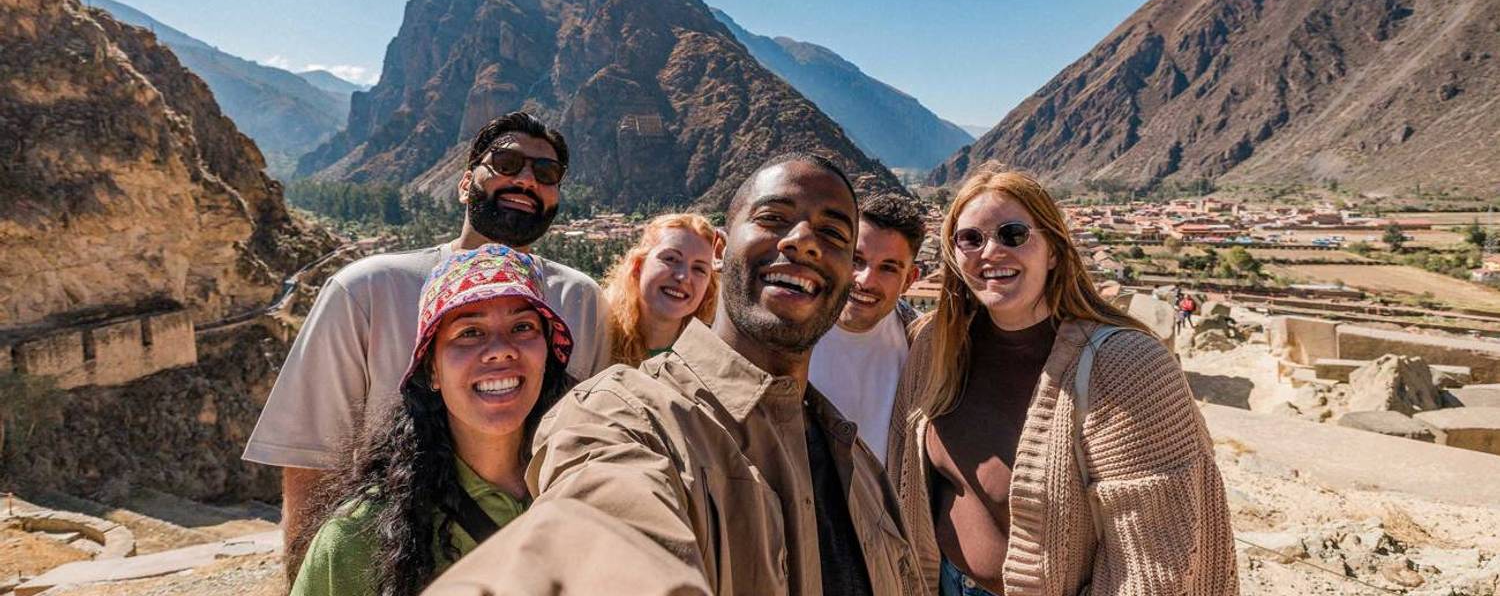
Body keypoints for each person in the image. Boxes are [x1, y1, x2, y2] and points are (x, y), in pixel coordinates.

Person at [428, 153, 926, 595]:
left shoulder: (862, 469)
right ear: (721, 251)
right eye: (774, 218)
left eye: (834, 234)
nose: (803, 242)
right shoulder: (626, 415)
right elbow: (601, 521)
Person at [243, 111, 610, 577]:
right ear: (464, 184)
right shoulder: (365, 292)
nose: (525, 180)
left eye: (545, 172)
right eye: (506, 162)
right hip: (395, 556)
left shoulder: (580, 300)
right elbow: (310, 465)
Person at [886, 163, 1236, 596]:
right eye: (970, 239)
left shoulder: (1126, 367)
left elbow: (1154, 565)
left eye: (1013, 234)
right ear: (954, 256)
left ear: (1053, 249)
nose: (990, 252)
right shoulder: (934, 346)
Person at [291, 245, 575, 596]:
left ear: (546, 354)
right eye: (469, 332)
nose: (501, 349)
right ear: (433, 370)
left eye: (522, 326)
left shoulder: (584, 493)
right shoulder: (358, 538)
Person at [808, 192, 924, 468]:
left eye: (888, 268)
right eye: (856, 260)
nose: (865, 280)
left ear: (909, 279)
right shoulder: (788, 331)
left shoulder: (921, 345)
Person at [602, 213, 720, 367]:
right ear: (638, 266)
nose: (683, 277)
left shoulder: (709, 359)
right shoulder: (595, 336)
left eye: (699, 268)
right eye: (671, 259)